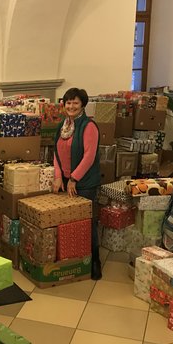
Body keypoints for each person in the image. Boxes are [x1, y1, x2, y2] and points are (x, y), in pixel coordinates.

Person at [52, 87, 102, 280]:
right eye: (68, 102)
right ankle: (75, 262)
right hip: (65, 182)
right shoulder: (62, 126)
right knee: (69, 221)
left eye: (75, 102)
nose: (71, 106)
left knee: (87, 222)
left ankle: (95, 262)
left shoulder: (88, 126)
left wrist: (74, 178)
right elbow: (56, 153)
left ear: (82, 105)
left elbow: (89, 156)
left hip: (84, 183)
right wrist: (58, 176)